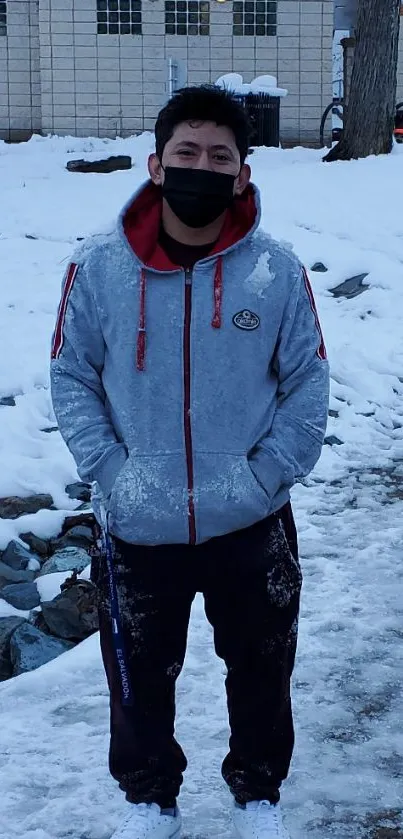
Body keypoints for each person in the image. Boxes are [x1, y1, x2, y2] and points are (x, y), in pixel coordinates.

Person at [50, 85, 330, 839]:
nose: (200, 167)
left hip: (251, 516)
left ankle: (258, 795)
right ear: (156, 163)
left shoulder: (273, 271)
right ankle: (148, 801)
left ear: (241, 173)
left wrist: (265, 477)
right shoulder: (98, 267)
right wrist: (113, 473)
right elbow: (71, 374)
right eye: (186, 154)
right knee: (138, 677)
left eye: (218, 157)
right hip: (137, 519)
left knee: (262, 668)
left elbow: (307, 379)